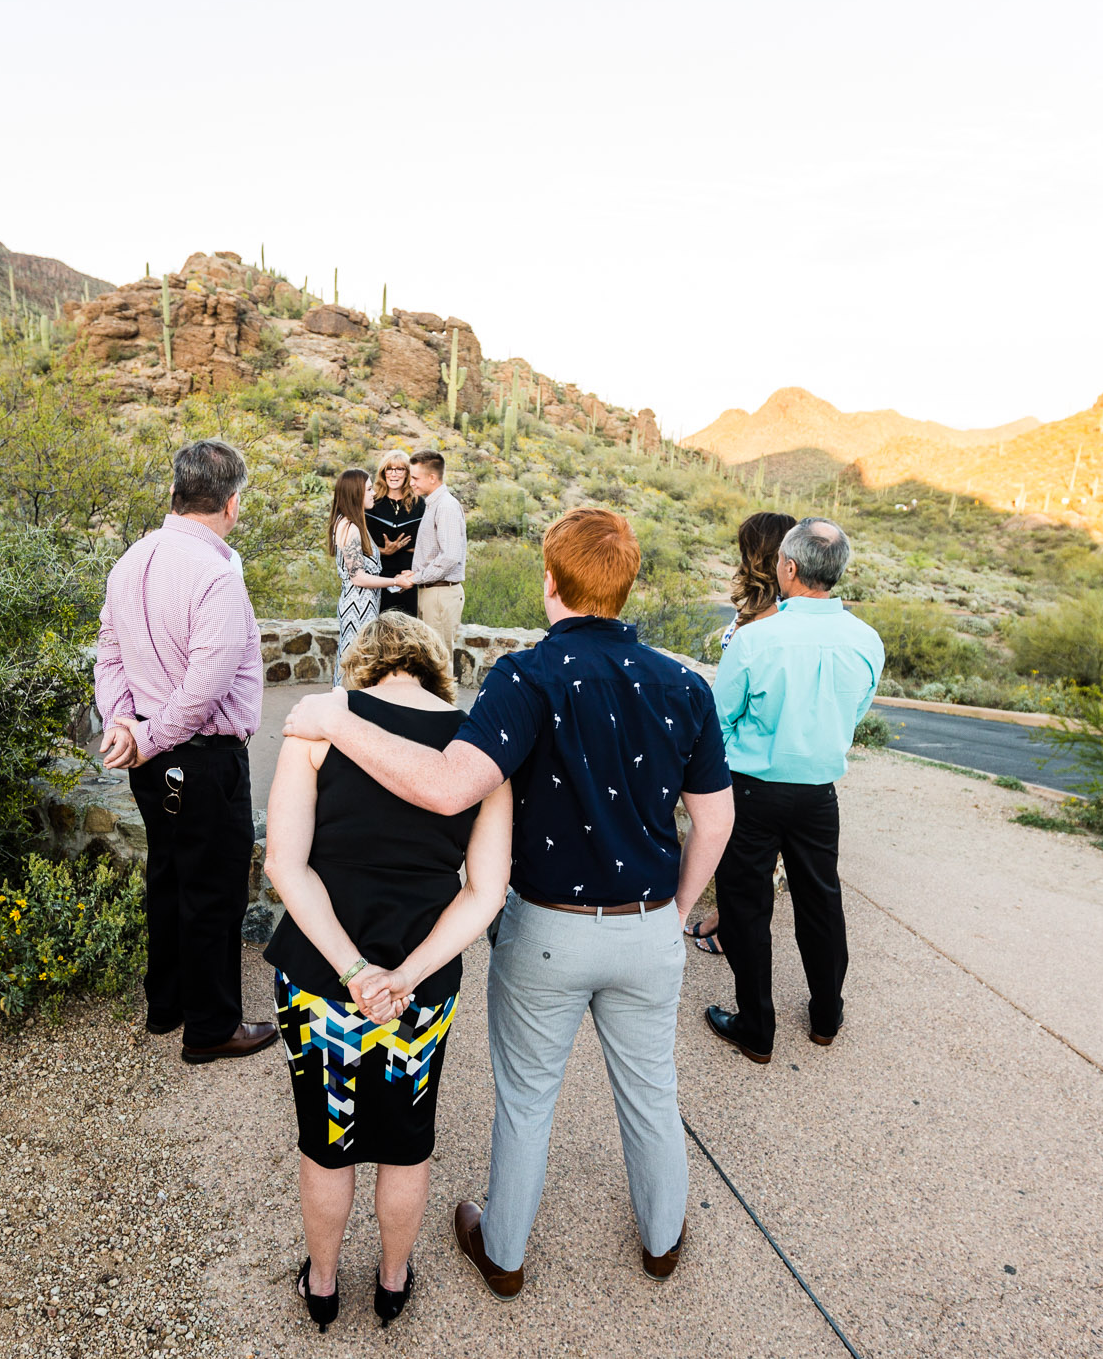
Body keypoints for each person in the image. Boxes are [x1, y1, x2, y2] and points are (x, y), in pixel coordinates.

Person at [283, 507, 735, 1301]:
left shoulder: (525, 677)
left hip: (549, 930)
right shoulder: (686, 686)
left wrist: (336, 716)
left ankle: (506, 1252)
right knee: (654, 1094)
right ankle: (663, 1241)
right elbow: (716, 817)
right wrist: (674, 910)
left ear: (551, 583)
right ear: (625, 587)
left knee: (527, 1099)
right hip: (647, 928)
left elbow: (453, 783)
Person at [263, 612, 514, 1331]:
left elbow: (285, 861)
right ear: (435, 669)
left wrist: (352, 968)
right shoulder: (479, 748)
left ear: (363, 667)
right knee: (407, 1141)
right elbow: (486, 890)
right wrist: (403, 974)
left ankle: (320, 1282)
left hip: (318, 977)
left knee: (327, 1138)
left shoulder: (320, 723)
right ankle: (394, 1279)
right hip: (422, 987)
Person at [96, 438, 279, 1066]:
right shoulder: (217, 574)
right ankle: (211, 1028)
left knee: (169, 874)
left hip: (152, 759)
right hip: (201, 758)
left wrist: (122, 723)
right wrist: (141, 734)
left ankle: (166, 1002)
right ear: (230, 504)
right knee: (214, 888)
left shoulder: (130, 560)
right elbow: (203, 689)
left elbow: (110, 653)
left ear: (176, 495)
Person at [704, 518, 883, 1063]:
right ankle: (827, 1013)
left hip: (754, 790)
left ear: (789, 567)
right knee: (821, 901)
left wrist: (745, 750)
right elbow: (855, 713)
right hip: (819, 794)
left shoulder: (758, 638)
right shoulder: (866, 640)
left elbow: (719, 718)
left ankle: (757, 1027)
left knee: (746, 904)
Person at [689, 510, 796, 957]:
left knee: (744, 853)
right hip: (738, 741)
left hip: (750, 747)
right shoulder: (757, 606)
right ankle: (724, 916)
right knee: (736, 849)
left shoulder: (779, 614)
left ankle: (730, 926)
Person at [329, 468, 411, 687]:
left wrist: (386, 556)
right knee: (356, 662)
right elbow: (359, 578)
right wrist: (395, 581)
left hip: (365, 604)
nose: (373, 493)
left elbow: (363, 566)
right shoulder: (350, 527)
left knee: (358, 660)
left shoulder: (351, 525)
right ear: (355, 494)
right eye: (367, 489)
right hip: (358, 607)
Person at [406, 449, 467, 656]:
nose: (411, 483)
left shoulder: (446, 507)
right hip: (431, 591)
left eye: (415, 477)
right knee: (431, 658)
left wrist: (417, 577)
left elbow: (450, 556)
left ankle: (440, 691)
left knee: (439, 658)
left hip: (440, 593)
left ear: (432, 477)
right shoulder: (433, 505)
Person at [368, 449, 424, 617]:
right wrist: (383, 550)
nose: (394, 474)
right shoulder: (372, 502)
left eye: (399, 469)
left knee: (408, 629)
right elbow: (360, 543)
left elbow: (427, 541)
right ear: (383, 473)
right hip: (380, 576)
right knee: (381, 629)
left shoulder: (419, 503)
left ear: (407, 474)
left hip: (409, 576)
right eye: (389, 469)